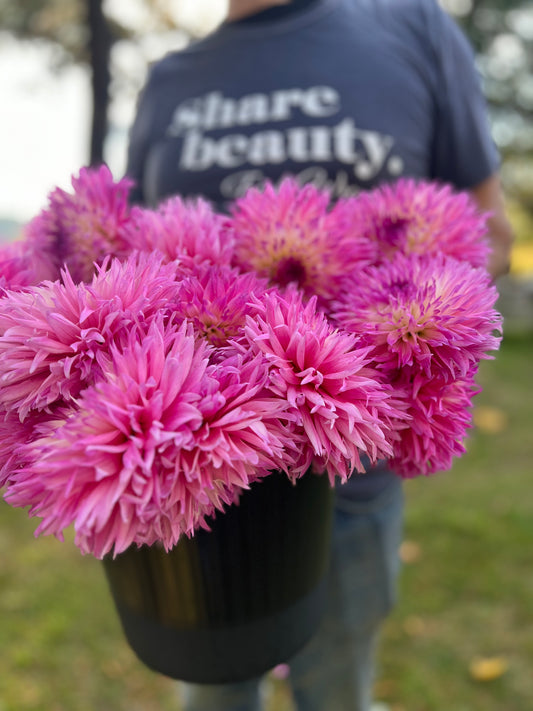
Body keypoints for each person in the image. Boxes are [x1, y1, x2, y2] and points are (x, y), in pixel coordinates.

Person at [125, 1, 514, 709]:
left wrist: (419, 316)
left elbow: (490, 233)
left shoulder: (412, 27)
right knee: (210, 690)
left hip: (350, 477)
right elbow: (131, 254)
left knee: (337, 691)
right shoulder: (168, 81)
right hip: (190, 481)